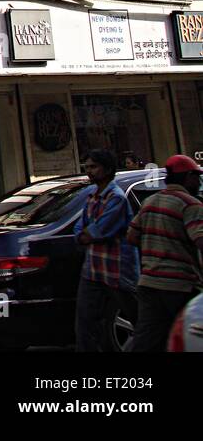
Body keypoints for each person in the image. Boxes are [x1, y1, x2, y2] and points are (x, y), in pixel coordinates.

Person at [127, 154, 203, 352]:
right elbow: (200, 239)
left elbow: (132, 237)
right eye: (196, 176)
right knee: (189, 336)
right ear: (187, 178)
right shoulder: (191, 204)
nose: (199, 181)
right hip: (180, 285)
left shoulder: (150, 202)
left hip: (149, 282)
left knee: (146, 340)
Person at [73, 149, 137, 352]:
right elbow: (80, 227)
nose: (89, 172)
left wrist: (85, 236)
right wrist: (83, 235)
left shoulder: (116, 198)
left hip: (117, 269)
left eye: (94, 167)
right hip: (93, 268)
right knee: (85, 322)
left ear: (107, 169)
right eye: (87, 167)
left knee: (138, 317)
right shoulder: (91, 195)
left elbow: (99, 230)